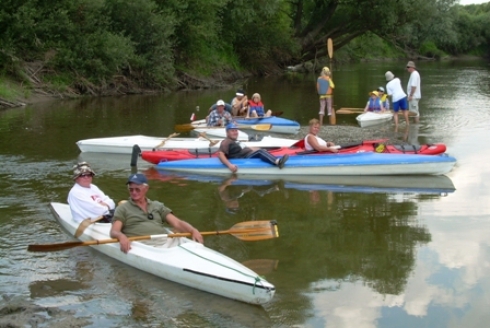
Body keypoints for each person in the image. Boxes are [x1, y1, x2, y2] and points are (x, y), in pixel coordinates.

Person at [110, 173, 203, 253]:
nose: (134, 192)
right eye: (131, 189)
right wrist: (121, 236)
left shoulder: (157, 205)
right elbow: (114, 231)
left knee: (187, 243)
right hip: (144, 246)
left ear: (146, 189)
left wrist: (192, 230)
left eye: (137, 189)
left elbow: (177, 223)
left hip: (166, 241)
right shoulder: (123, 208)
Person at [218, 123, 289, 172]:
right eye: (232, 131)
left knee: (261, 150)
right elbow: (220, 154)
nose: (235, 132)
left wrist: (261, 149)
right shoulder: (226, 142)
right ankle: (278, 162)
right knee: (260, 152)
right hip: (244, 158)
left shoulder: (235, 141)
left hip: (248, 155)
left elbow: (248, 148)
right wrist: (230, 165)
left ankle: (275, 159)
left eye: (236, 130)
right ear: (227, 133)